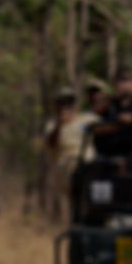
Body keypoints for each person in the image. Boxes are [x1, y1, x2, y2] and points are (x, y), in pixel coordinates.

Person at [43, 87, 98, 219]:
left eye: (68, 103)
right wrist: (59, 124)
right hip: (67, 169)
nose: (65, 107)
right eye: (61, 103)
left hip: (90, 166)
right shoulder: (52, 125)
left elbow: (104, 127)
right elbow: (51, 143)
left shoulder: (87, 119)